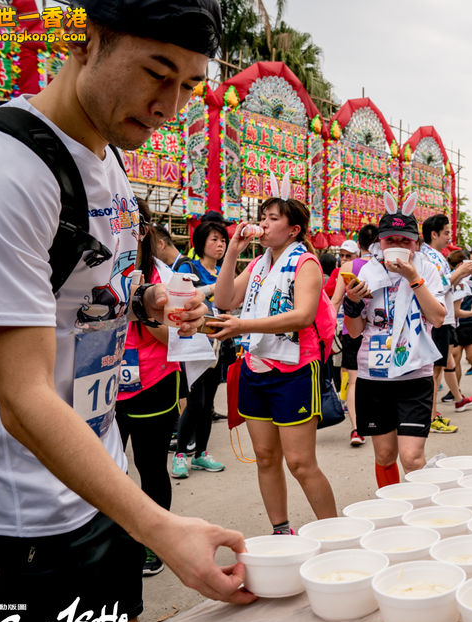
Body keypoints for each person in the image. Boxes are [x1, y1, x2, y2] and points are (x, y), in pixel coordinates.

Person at [0, 4, 255, 622]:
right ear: (87, 41)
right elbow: (23, 397)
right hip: (15, 523)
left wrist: (152, 300)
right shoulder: (1, 169)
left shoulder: (109, 159)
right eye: (157, 74)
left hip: (99, 488)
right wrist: (160, 526)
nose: (169, 105)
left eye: (187, 85)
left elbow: (99, 289)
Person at [210, 197, 337, 533]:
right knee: (265, 457)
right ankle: (281, 530)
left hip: (294, 370)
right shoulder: (258, 264)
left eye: (272, 219)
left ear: (293, 230)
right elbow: (224, 301)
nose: (263, 225)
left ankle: (337, 534)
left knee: (300, 463)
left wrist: (242, 327)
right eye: (262, 218)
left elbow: (302, 316)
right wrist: (233, 252)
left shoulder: (306, 262)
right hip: (255, 365)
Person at [343, 201, 447, 487]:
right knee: (385, 456)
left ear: (416, 243)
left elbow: (438, 318)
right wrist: (351, 304)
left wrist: (413, 278)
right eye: (391, 240)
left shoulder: (428, 269)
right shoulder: (367, 272)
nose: (398, 245)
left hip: (415, 374)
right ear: (380, 241)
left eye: (405, 240)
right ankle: (392, 514)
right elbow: (354, 332)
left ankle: (422, 512)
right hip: (373, 375)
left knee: (412, 457)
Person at [115, 202, 182, 578]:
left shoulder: (166, 278)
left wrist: (139, 304)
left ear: (143, 233)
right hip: (100, 386)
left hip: (153, 382)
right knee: (108, 466)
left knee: (149, 465)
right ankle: (115, 539)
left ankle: (155, 545)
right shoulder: (94, 267)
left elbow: (173, 336)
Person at [170, 219, 231, 478]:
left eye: (223, 240)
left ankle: (201, 454)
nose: (220, 245)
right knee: (194, 402)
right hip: (193, 346)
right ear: (201, 242)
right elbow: (180, 298)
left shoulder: (224, 273)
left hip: (219, 345)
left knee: (208, 405)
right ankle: (181, 454)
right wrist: (211, 290)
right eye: (214, 239)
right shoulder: (189, 267)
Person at [420, 214, 472, 434]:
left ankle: (432, 413)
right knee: (434, 370)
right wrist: (457, 274)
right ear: (433, 234)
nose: (448, 237)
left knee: (438, 368)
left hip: (441, 319)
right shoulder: (427, 257)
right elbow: (436, 287)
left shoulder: (436, 256)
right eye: (445, 233)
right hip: (435, 320)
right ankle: (430, 416)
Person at [331, 226, 378, 447]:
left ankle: (357, 428)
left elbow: (335, 302)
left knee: (353, 381)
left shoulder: (349, 267)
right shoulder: (384, 267)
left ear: (358, 246)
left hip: (350, 328)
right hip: (378, 331)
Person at [447, 250, 472, 399]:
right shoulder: (450, 278)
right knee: (455, 358)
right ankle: (455, 390)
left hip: (471, 323)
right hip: (455, 323)